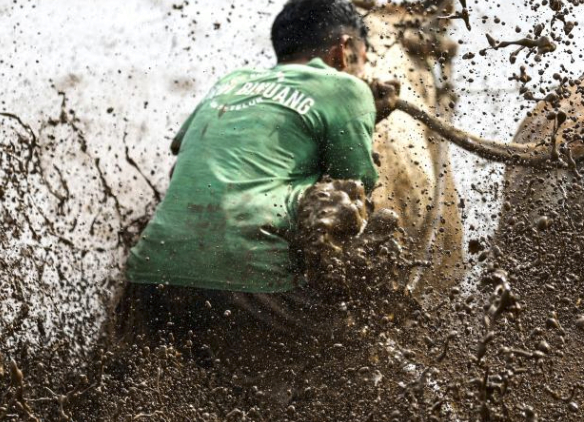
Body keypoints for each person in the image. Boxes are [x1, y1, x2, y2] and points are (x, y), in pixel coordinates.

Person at [113, 0, 400, 357]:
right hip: (248, 283)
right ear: (344, 51)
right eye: (362, 61)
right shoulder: (346, 86)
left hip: (149, 278)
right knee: (359, 345)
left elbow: (182, 156)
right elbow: (353, 190)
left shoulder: (232, 82)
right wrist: (363, 110)